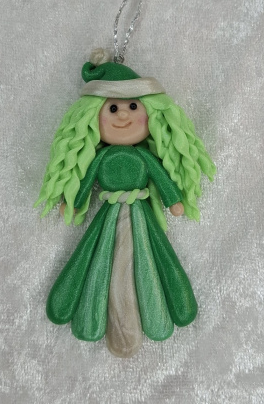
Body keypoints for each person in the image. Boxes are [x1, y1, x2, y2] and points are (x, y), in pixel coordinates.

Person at [35, 49, 216, 357]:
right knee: (99, 258)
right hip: (108, 214)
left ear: (151, 114)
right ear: (93, 117)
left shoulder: (143, 156)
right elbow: (85, 180)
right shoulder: (102, 156)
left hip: (141, 214)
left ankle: (151, 310)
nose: (123, 115)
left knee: (150, 257)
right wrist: (74, 202)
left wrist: (174, 200)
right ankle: (97, 314)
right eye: (113, 108)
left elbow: (160, 177)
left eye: (133, 106)